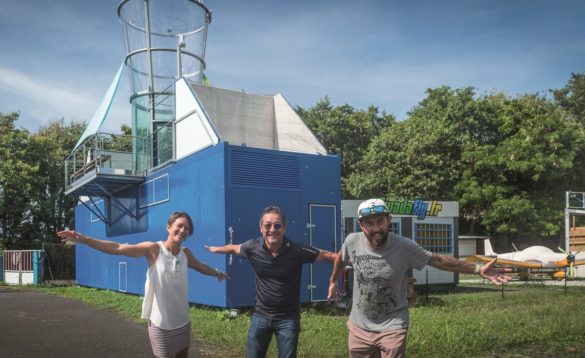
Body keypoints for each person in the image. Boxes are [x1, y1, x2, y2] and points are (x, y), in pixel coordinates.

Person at [328, 198, 512, 358]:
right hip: (359, 326)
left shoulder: (405, 247)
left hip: (392, 325)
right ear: (361, 225)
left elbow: (438, 260)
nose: (376, 228)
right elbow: (340, 258)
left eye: (380, 221)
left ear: (389, 220)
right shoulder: (352, 241)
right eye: (369, 223)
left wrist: (478, 269)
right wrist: (333, 281)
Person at [57, 211, 229, 358]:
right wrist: (86, 239)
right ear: (168, 227)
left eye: (187, 228)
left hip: (182, 319)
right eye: (179, 225)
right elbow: (117, 248)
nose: (183, 230)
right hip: (160, 322)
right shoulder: (154, 249)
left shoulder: (185, 254)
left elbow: (200, 266)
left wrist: (216, 272)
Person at [206, 205, 336, 358]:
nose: (272, 229)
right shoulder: (252, 247)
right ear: (261, 228)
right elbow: (233, 248)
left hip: (288, 319)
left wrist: (334, 280)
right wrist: (216, 249)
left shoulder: (297, 250)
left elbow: (332, 257)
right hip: (261, 316)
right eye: (267, 225)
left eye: (277, 225)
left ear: (284, 227)